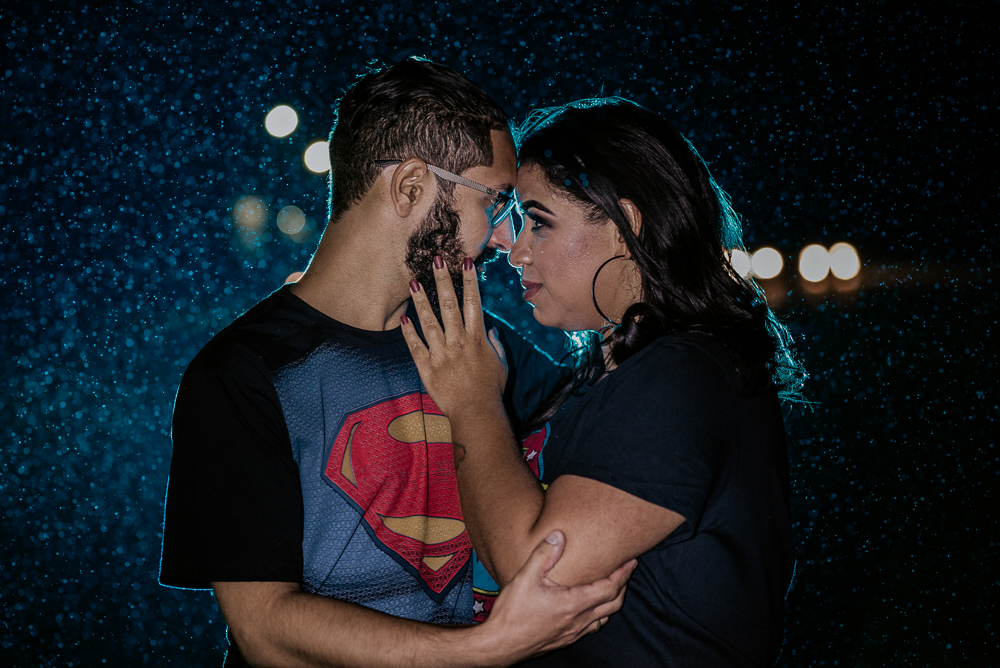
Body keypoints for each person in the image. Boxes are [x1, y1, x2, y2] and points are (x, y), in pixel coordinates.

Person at [158, 62, 633, 668]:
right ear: (411, 187)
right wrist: (484, 648)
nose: (500, 239)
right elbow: (265, 629)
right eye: (494, 200)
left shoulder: (473, 341)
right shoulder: (243, 372)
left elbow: (614, 453)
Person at [401, 98, 807, 666]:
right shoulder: (615, 370)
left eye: (537, 222)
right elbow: (461, 343)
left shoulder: (682, 378)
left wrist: (472, 406)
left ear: (624, 225)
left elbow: (535, 566)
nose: (514, 250)